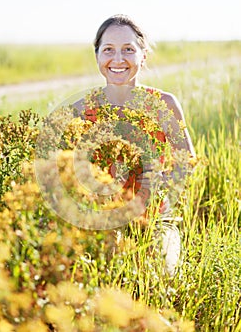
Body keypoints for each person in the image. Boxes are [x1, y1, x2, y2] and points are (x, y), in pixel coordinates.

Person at [73, 14, 196, 276]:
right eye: (108, 50)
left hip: (154, 220)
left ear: (143, 56)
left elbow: (186, 161)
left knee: (161, 277)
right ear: (97, 56)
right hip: (98, 221)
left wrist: (160, 184)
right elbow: (63, 171)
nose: (118, 60)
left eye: (128, 49)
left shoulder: (165, 104)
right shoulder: (80, 111)